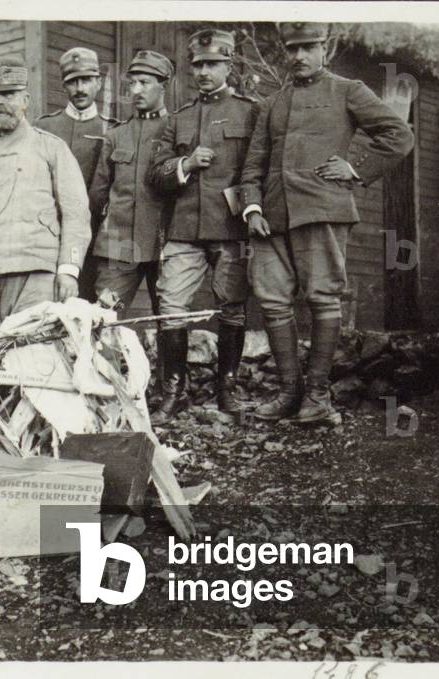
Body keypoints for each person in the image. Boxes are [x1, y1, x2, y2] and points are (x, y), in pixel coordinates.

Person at [241, 22, 414, 423]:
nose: (299, 56)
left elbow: (398, 135)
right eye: (292, 49)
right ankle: (289, 394)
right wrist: (251, 208)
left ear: (323, 50)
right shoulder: (271, 103)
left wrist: (355, 168)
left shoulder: (348, 89)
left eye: (307, 47)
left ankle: (318, 398)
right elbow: (253, 164)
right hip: (271, 216)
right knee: (271, 301)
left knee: (323, 296)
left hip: (322, 208)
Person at [148, 29, 259, 422]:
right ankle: (174, 392)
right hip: (184, 230)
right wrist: (186, 164)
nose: (204, 72)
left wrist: (250, 211)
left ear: (228, 65)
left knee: (231, 308)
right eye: (197, 65)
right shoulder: (177, 119)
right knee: (171, 306)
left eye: (212, 64)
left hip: (231, 229)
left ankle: (226, 391)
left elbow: (258, 169)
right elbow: (155, 176)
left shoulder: (250, 111)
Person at [0, 57, 90, 334]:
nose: (0, 102)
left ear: (25, 99)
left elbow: (76, 213)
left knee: (33, 360)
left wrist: (69, 268)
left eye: (8, 94)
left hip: (32, 276)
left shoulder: (50, 148)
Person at [88, 49, 174, 314]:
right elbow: (97, 196)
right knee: (103, 318)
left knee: (170, 318)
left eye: (145, 83)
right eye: (132, 83)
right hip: (117, 243)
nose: (136, 90)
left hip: (165, 241)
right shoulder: (116, 135)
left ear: (163, 86)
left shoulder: (178, 128)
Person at [35, 46, 119, 300]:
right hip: (49, 234)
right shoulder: (44, 127)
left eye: (87, 80)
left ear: (99, 83)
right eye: (73, 82)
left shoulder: (112, 129)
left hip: (97, 237)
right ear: (64, 86)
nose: (80, 88)